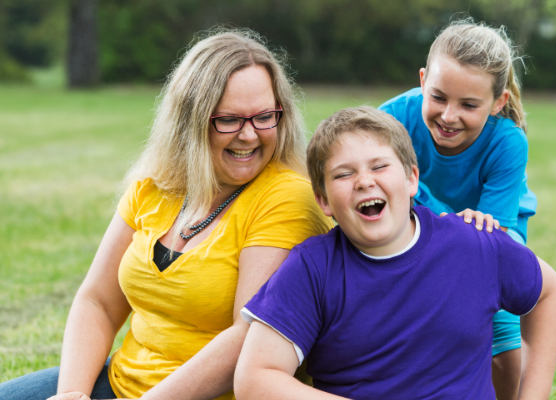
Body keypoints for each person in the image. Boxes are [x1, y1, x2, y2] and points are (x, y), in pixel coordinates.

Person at [0, 29, 332, 400]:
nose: (250, 135)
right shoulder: (156, 185)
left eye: (264, 117)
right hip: (119, 384)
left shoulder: (286, 197)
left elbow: (247, 337)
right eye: (229, 120)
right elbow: (98, 301)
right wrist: (72, 394)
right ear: (190, 119)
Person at [234, 106, 556, 399]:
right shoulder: (312, 267)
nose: (364, 181)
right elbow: (255, 378)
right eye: (344, 174)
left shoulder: (473, 244)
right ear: (323, 200)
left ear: (412, 180)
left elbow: (549, 293)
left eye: (379, 166)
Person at [378, 18, 538, 398]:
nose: (449, 116)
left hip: (491, 237)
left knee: (498, 325)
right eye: (438, 97)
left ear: (498, 102)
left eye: (468, 105)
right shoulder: (392, 119)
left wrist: (425, 204)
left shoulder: (507, 143)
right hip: (418, 227)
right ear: (422, 80)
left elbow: (493, 243)